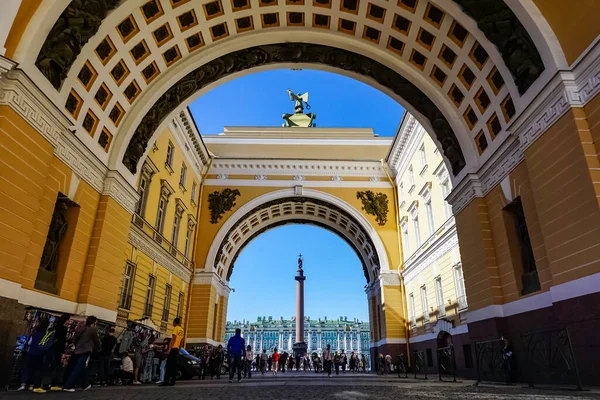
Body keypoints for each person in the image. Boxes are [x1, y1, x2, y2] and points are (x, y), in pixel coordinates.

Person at [63, 316, 101, 392]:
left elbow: (74, 339)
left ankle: (85, 384)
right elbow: (96, 341)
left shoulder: (80, 329)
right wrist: (98, 348)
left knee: (82, 367)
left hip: (77, 350)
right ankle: (68, 385)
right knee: (78, 368)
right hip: (86, 350)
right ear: (93, 323)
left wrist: (77, 345)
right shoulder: (92, 330)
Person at [25, 318, 50, 393]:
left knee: (31, 369)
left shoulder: (34, 332)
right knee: (38, 369)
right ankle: (36, 385)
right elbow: (45, 345)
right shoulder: (45, 334)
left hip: (31, 352)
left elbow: (29, 342)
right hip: (40, 353)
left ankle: (28, 384)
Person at [160, 317, 184, 387]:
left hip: (173, 348)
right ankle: (173, 381)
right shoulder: (182, 330)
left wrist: (169, 349)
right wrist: (179, 349)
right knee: (174, 366)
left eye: (173, 322)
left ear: (175, 322)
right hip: (177, 349)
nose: (172, 324)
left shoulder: (176, 328)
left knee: (168, 366)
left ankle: (166, 381)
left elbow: (173, 339)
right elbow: (181, 341)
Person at [48, 314, 69, 391]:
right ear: (66, 320)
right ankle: (53, 384)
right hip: (57, 349)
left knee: (49, 365)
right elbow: (62, 340)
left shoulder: (54, 327)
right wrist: (63, 351)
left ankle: (45, 382)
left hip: (50, 348)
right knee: (57, 366)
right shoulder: (63, 329)